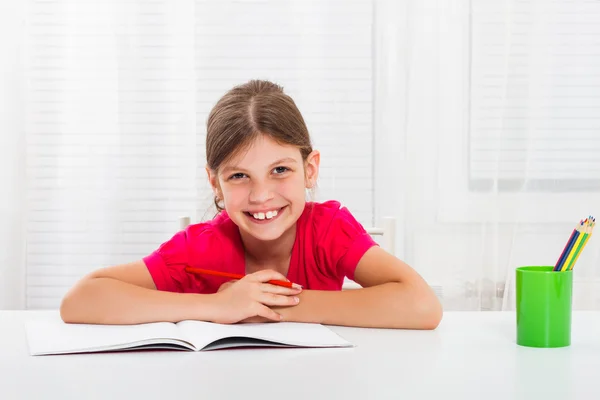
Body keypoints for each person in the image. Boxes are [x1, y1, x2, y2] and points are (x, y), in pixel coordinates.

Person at [60, 79, 442, 329]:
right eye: (239, 176)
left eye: (280, 170)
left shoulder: (328, 231)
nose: (261, 196)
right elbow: (80, 301)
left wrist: (272, 304)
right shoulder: (200, 248)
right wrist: (217, 307)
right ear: (216, 183)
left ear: (310, 170)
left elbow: (423, 306)